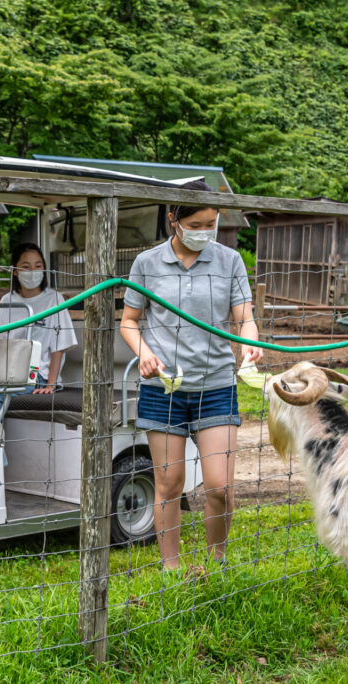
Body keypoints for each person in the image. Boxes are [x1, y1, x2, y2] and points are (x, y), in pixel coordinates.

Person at [119, 179, 263, 570]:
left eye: (211, 224)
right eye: (196, 224)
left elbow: (244, 316)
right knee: (169, 483)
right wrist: (144, 353)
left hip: (215, 385)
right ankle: (171, 569)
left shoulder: (229, 260)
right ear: (173, 220)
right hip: (163, 388)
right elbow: (129, 321)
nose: (204, 232)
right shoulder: (146, 263)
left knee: (220, 486)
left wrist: (250, 340)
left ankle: (217, 563)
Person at [0, 242, 78, 419]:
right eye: (26, 266)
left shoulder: (54, 299)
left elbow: (59, 346)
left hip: (36, 374)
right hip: (8, 372)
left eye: (38, 266)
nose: (32, 271)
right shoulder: (7, 299)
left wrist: (50, 384)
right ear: (15, 271)